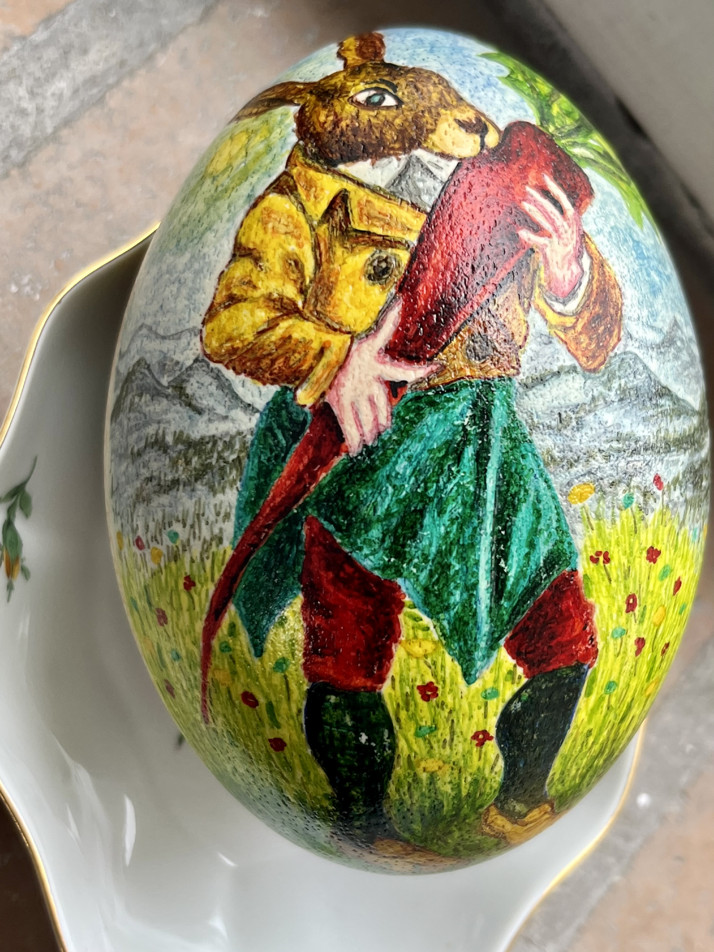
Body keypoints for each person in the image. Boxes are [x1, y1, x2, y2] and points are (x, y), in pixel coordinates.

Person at [202, 32, 622, 855]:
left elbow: (597, 337)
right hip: (358, 440)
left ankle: (521, 802)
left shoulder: (500, 183)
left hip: (478, 441)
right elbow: (234, 321)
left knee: (558, 621)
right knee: (346, 646)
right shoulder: (299, 204)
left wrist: (567, 270)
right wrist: (335, 360)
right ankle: (363, 824)